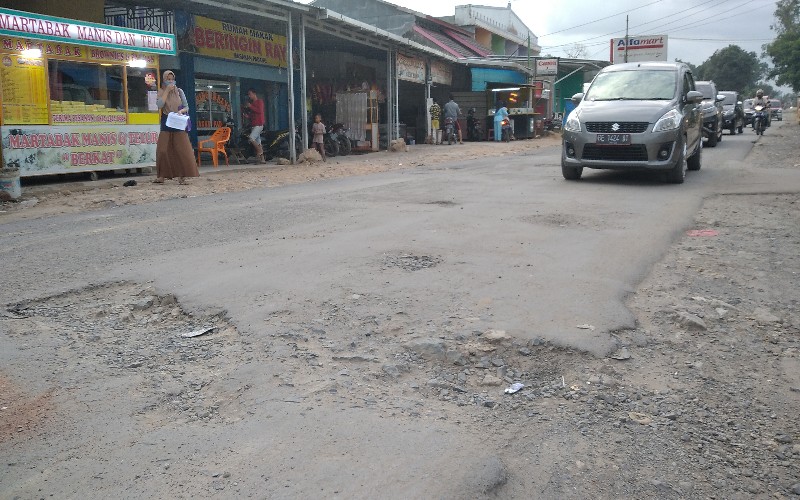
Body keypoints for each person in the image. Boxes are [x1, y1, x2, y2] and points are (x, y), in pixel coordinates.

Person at [154, 70, 199, 184]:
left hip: (178, 121)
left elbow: (186, 106)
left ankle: (182, 176)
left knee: (182, 149)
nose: (170, 81)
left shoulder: (179, 91)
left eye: (171, 79)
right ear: (164, 80)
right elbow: (159, 105)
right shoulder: (161, 91)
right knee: (163, 150)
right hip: (166, 120)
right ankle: (162, 176)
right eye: (167, 79)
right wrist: (166, 92)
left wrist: (181, 111)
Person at [243, 88, 266, 162]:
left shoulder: (260, 102)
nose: (249, 96)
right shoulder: (252, 104)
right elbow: (253, 115)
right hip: (254, 124)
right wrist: (248, 116)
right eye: (248, 94)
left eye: (250, 94)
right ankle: (262, 160)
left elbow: (260, 111)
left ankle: (260, 152)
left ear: (254, 94)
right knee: (258, 141)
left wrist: (250, 106)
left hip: (259, 124)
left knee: (251, 138)